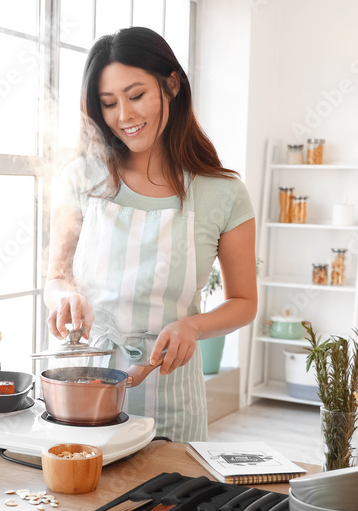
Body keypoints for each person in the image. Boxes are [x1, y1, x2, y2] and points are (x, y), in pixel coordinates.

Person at [45, 27, 258, 442]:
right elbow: (56, 277)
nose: (123, 115)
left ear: (172, 84)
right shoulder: (81, 177)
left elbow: (244, 302)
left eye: (136, 95)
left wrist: (193, 327)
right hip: (80, 393)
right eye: (108, 103)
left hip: (172, 402)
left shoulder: (223, 193)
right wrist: (64, 297)